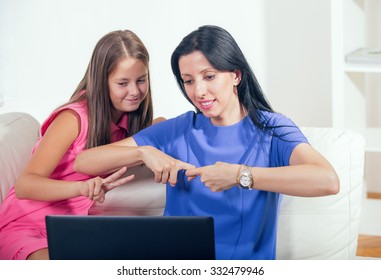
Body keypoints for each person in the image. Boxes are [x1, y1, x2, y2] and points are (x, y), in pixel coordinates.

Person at [74, 25, 340, 260]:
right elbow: (85, 161)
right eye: (188, 81)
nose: (198, 92)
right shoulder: (180, 129)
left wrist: (239, 175)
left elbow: (327, 180)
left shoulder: (271, 129)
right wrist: (143, 152)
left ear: (236, 75)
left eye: (209, 76)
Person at [0, 30, 159, 260]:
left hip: (72, 224)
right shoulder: (74, 119)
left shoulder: (126, 118)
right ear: (101, 81)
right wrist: (81, 189)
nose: (134, 91)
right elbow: (26, 185)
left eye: (141, 80)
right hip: (27, 223)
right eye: (122, 83)